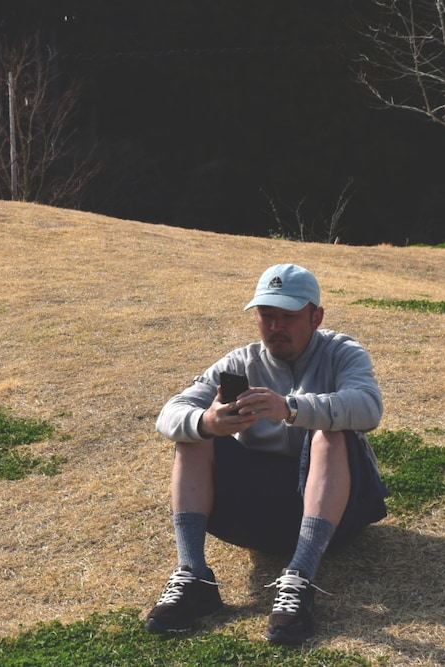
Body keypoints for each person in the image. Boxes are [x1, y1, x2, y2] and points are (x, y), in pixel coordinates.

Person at [146, 263, 389, 644]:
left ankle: (300, 577)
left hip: (338, 515)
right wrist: (208, 421)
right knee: (194, 434)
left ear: (316, 317)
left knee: (331, 433)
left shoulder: (342, 352)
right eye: (266, 315)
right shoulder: (240, 362)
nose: (276, 327)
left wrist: (291, 408)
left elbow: (369, 407)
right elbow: (169, 414)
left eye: (288, 316)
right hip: (258, 516)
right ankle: (194, 576)